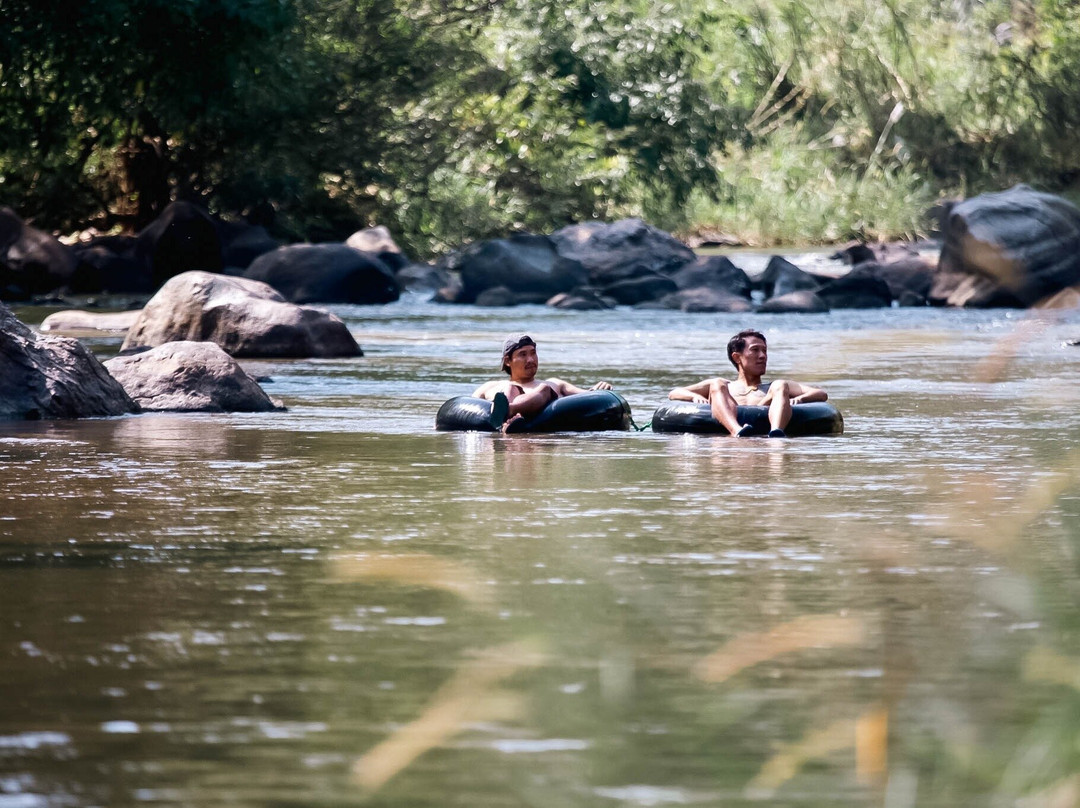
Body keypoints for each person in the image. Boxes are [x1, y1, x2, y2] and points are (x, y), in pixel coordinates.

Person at [667, 329, 827, 438]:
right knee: (716, 383)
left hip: (767, 438)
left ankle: (776, 432)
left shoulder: (775, 387)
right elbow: (674, 393)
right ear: (737, 357)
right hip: (729, 442)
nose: (763, 356)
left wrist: (800, 399)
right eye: (755, 350)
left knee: (780, 384)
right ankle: (736, 430)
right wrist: (694, 397)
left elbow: (820, 394)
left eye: (765, 351)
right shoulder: (724, 386)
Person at [473, 334, 612, 431]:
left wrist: (602, 390)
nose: (531, 360)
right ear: (508, 361)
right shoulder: (491, 386)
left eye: (533, 353)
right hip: (504, 420)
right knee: (509, 388)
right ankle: (505, 422)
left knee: (544, 388)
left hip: (539, 416)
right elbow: (467, 409)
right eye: (523, 354)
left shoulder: (554, 384)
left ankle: (509, 410)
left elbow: (588, 397)